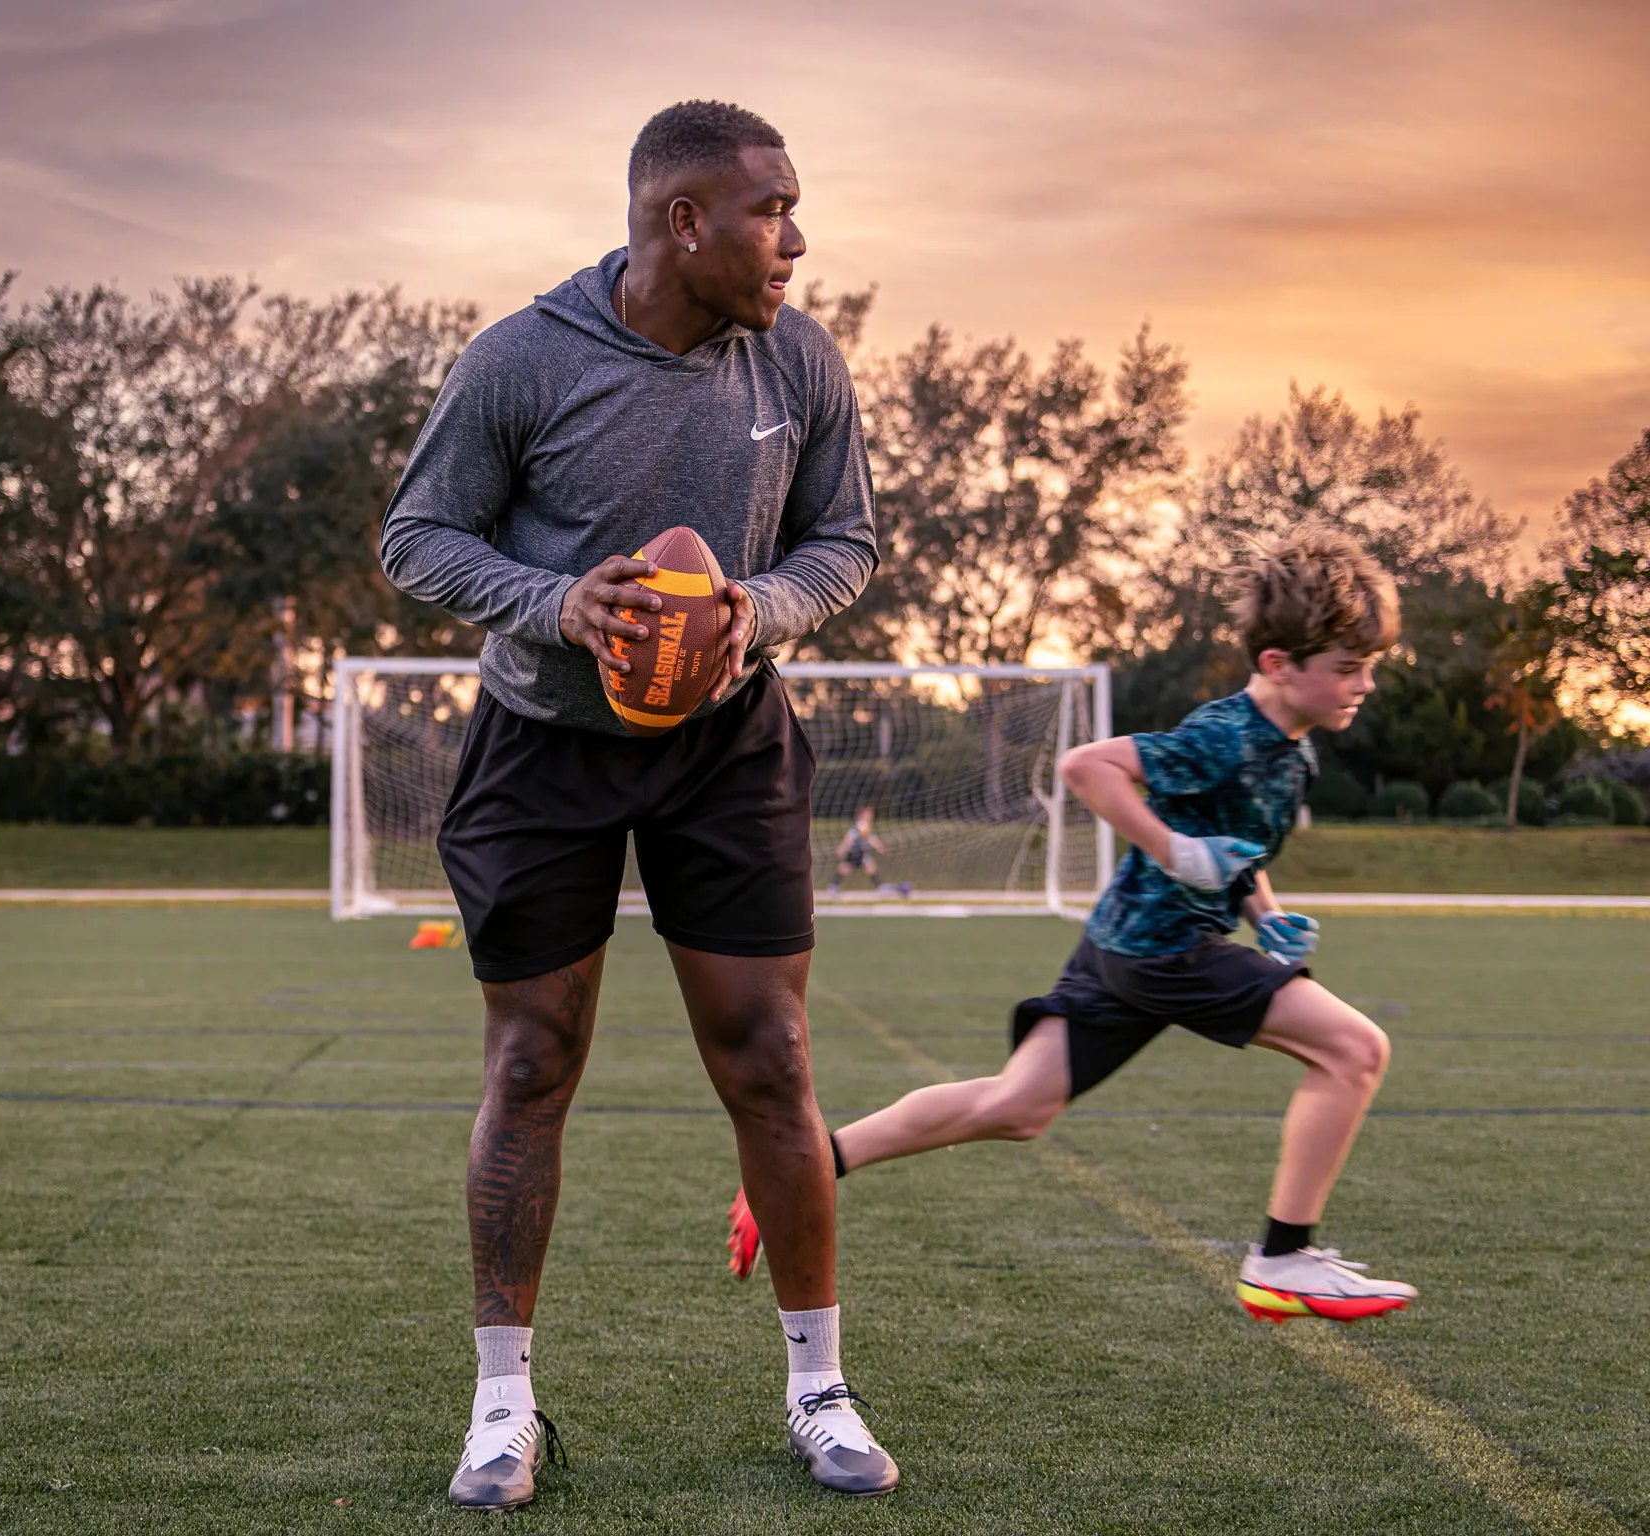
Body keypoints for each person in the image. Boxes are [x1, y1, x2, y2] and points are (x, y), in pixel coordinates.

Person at [380, 100, 898, 1508]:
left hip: (727, 742)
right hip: (543, 744)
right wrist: (558, 601)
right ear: (685, 220)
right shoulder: (523, 358)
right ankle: (501, 1404)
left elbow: (843, 537)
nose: (796, 239)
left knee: (772, 1056)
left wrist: (763, 607)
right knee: (533, 1062)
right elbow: (415, 535)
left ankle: (821, 1386)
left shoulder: (797, 357)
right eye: (771, 210)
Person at [728, 528, 1419, 1329]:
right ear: (1277, 665)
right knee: (1356, 1050)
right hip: (1166, 950)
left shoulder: (1293, 751)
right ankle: (1282, 1256)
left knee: (1015, 1106)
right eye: (1347, 668)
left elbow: (1232, 841)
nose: (1363, 684)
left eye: (1368, 667)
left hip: (1123, 948)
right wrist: (1177, 852)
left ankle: (806, 1170)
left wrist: (1267, 916)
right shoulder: (1228, 734)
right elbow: (1086, 767)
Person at [826, 805, 909, 896]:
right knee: (846, 868)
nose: (871, 815)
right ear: (862, 815)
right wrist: (880, 847)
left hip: (860, 852)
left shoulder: (862, 825)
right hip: (855, 852)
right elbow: (863, 838)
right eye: (868, 813)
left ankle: (833, 886)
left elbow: (857, 836)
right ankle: (833, 887)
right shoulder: (862, 825)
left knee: (869, 866)